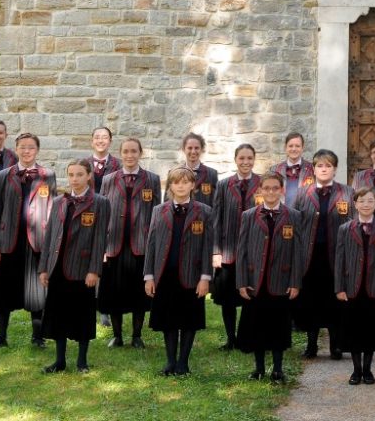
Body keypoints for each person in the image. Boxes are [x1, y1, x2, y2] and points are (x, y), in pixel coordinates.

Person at [38, 158, 110, 373]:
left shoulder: (100, 202)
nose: (75, 179)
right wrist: (44, 267)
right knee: (58, 314)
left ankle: (82, 361)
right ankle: (60, 361)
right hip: (58, 267)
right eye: (71, 175)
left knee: (82, 314)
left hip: (82, 268)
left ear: (89, 176)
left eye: (79, 174)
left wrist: (94, 269)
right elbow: (50, 235)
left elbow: (100, 239)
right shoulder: (60, 201)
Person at [144, 166, 215, 376]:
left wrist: (205, 277)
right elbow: (152, 244)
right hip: (165, 273)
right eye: (176, 182)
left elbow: (206, 247)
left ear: (193, 185)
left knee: (189, 318)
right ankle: (170, 361)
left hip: (192, 275)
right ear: (170, 186)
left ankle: (183, 362)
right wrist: (149, 276)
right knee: (169, 320)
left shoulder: (204, 211)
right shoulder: (159, 210)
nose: (181, 186)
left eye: (185, 182)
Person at [0, 132, 56, 348]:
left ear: (37, 150)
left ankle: (38, 336)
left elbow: (52, 211)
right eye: (22, 147)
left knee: (37, 291)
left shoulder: (48, 175)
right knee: (4, 290)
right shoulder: (3, 175)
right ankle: (1, 336)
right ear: (16, 149)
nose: (27, 151)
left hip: (37, 241)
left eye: (31, 147)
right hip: (9, 239)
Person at [236, 171, 303, 382]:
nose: (271, 192)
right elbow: (242, 251)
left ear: (282, 190)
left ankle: (278, 368)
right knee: (257, 325)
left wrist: (294, 282)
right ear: (260, 190)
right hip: (256, 281)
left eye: (275, 188)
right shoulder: (249, 215)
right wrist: (242, 281)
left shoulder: (293, 215)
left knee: (278, 326)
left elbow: (297, 252)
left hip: (280, 281)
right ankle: (259, 368)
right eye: (267, 188)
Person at [98, 137, 161, 348]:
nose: (130, 155)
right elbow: (101, 211)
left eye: (134, 151)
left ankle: (136, 335)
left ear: (140, 153)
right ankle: (117, 336)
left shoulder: (152, 180)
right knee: (114, 292)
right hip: (114, 243)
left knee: (138, 293)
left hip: (140, 245)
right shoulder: (109, 179)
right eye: (125, 151)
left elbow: (156, 213)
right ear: (121, 153)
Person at [293, 149, 353, 360]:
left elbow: (352, 224)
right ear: (314, 169)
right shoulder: (303, 193)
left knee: (335, 301)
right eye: (320, 165)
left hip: (335, 257)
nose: (324, 169)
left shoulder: (346, 193)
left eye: (328, 165)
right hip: (310, 257)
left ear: (335, 169)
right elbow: (296, 225)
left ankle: (336, 346)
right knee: (311, 301)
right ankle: (311, 345)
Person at [334, 187, 375, 385]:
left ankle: (368, 370)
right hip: (352, 287)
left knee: (370, 331)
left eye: (370, 201)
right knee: (353, 330)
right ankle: (356, 370)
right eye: (362, 201)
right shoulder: (345, 229)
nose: (366, 205)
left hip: (374, 287)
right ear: (355, 204)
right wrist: (339, 287)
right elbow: (340, 260)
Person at [212, 143, 260, 350]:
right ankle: (231, 338)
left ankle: (247, 337)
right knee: (228, 299)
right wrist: (216, 251)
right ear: (235, 160)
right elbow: (216, 219)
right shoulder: (224, 185)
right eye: (242, 158)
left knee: (252, 295)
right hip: (228, 250)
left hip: (253, 251)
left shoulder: (262, 183)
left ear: (254, 160)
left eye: (249, 158)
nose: (245, 162)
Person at [175, 132, 218, 205]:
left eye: (197, 148)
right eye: (190, 148)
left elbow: (216, 202)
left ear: (202, 149)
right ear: (183, 149)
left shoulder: (212, 174)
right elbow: (167, 203)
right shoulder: (174, 173)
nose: (193, 151)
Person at [273, 132, 313, 206]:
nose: (294, 149)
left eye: (297, 146)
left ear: (302, 148)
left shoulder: (312, 170)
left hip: (304, 215)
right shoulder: (274, 170)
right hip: (281, 215)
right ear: (285, 148)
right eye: (290, 146)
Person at [88, 126, 121, 193]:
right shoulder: (83, 165)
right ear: (92, 142)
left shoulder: (120, 165)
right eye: (97, 138)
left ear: (110, 142)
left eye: (105, 138)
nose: (100, 141)